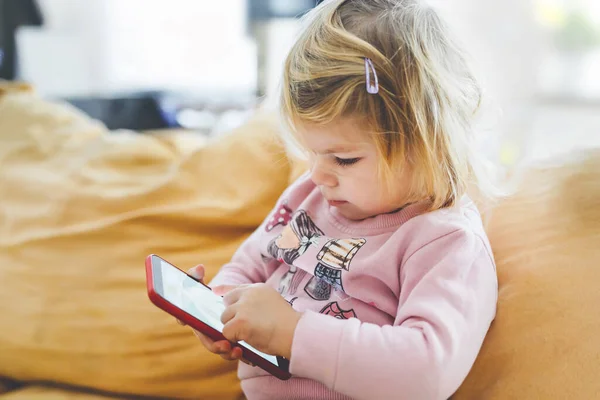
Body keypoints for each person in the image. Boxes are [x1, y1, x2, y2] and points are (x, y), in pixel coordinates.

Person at [180, 0, 498, 398]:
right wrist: (222, 309)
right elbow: (249, 266)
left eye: (344, 159)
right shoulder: (310, 196)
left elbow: (425, 371)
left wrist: (293, 334)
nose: (318, 174)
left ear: (427, 142)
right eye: (311, 152)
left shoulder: (444, 242)